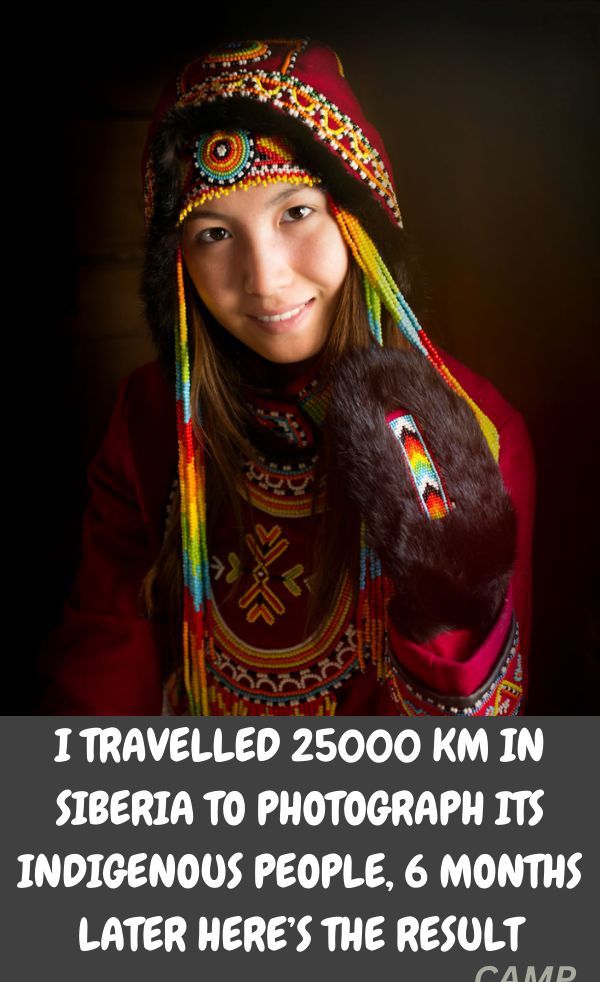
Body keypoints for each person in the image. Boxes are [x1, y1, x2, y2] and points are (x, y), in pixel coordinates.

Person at [38, 38, 535, 717]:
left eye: (296, 212)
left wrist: (447, 605)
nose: (266, 279)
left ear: (357, 221)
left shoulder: (472, 430)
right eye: (214, 234)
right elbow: (102, 669)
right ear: (176, 263)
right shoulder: (151, 415)